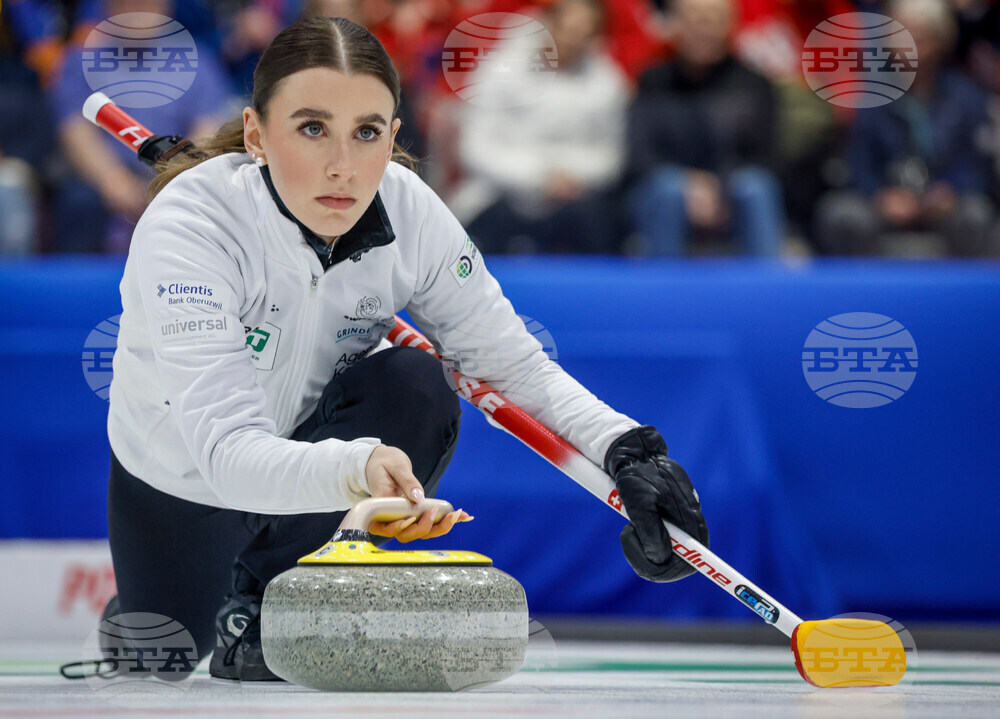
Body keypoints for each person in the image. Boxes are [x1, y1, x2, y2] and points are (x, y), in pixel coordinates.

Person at [100, 16, 708, 682]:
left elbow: (512, 363)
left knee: (418, 383)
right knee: (158, 656)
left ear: (392, 137)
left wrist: (626, 450)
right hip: (181, 478)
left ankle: (267, 609)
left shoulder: (411, 213)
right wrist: (362, 467)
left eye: (366, 132)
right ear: (255, 135)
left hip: (306, 468)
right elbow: (223, 453)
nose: (342, 165)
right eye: (311, 128)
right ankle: (141, 615)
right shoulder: (191, 225)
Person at [815, 0, 999, 256]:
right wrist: (880, 196)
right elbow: (856, 164)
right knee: (842, 213)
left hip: (945, 203)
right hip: (886, 201)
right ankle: (860, 292)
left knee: (975, 213)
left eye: (920, 38)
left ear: (941, 42)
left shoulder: (966, 98)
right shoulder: (871, 97)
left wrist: (951, 191)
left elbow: (977, 164)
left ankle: (961, 294)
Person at [625, 0, 785, 256]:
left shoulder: (755, 85)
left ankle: (764, 290)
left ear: (730, 25)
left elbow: (767, 158)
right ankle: (662, 292)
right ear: (675, 24)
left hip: (733, 190)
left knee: (756, 186)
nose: (704, 28)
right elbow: (640, 158)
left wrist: (719, 185)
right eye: (695, 18)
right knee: (667, 189)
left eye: (713, 19)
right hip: (668, 191)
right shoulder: (653, 82)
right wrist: (689, 183)